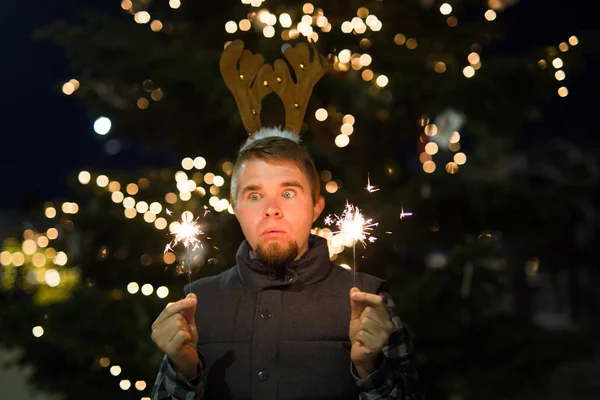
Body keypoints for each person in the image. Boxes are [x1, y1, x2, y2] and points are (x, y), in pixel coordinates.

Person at [150, 128, 421, 399]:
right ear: (235, 208)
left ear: (316, 206)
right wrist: (184, 370)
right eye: (254, 196)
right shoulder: (196, 305)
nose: (272, 208)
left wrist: (369, 368)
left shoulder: (368, 301)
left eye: (288, 193)